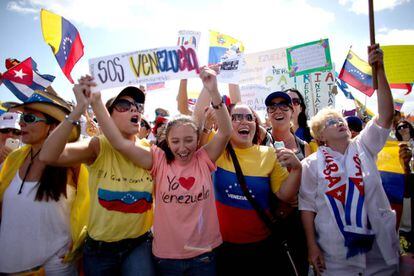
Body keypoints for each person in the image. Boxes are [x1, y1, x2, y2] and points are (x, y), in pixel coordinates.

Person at [73, 66, 232, 275]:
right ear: (166, 140)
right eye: (175, 141)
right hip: (167, 257)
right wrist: (97, 102)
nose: (182, 148)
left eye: (189, 140)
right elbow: (119, 143)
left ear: (198, 140)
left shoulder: (203, 159)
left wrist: (213, 91)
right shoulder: (157, 160)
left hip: (203, 254)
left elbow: (226, 132)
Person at [299, 44, 399, 275]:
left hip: (378, 251)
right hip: (336, 257)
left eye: (339, 119)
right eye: (330, 122)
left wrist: (380, 70)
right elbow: (307, 207)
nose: (339, 123)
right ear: (320, 136)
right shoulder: (311, 164)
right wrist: (311, 246)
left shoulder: (364, 145)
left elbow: (385, 115)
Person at [39, 85, 155, 276]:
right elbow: (48, 156)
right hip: (100, 250)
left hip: (139, 244)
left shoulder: (150, 149)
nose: (134, 109)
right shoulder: (97, 146)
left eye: (137, 106)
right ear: (107, 117)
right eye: (123, 105)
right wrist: (78, 109)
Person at [0, 90, 84, 275]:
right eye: (22, 117)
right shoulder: (12, 159)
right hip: (9, 265)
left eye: (29, 118)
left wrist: (78, 240)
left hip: (56, 266)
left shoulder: (73, 161)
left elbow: (90, 202)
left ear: (52, 126)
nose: (21, 123)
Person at [213, 103, 302, 275]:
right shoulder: (218, 151)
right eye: (236, 117)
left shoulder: (269, 154)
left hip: (262, 245)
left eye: (249, 118)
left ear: (256, 124)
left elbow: (284, 194)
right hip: (224, 247)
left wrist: (297, 169)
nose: (244, 122)